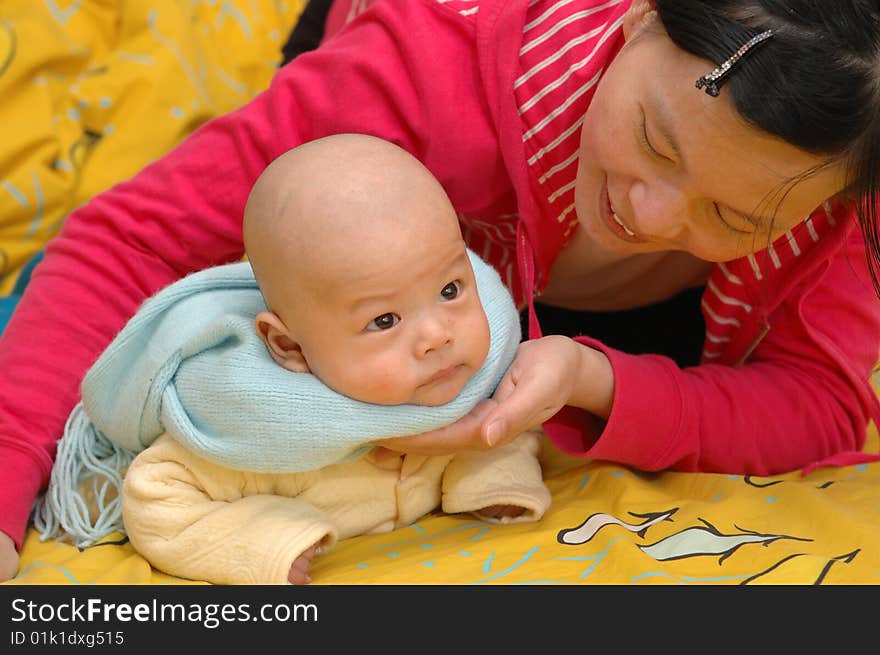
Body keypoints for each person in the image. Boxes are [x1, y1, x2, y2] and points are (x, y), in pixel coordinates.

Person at [2, 0, 880, 583]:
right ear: (636, 20)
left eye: (732, 214)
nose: (647, 217)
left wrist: (590, 378)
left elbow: (822, 400)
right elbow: (130, 242)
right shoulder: (413, 79)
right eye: (654, 139)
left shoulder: (846, 191)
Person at [115, 134, 549, 585]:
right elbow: (155, 498)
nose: (438, 336)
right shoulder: (261, 422)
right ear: (290, 348)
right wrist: (261, 540)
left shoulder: (473, 370)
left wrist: (491, 467)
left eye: (449, 290)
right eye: (384, 320)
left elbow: (517, 418)